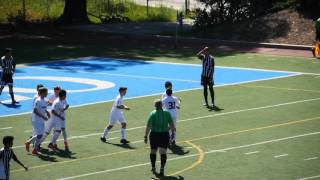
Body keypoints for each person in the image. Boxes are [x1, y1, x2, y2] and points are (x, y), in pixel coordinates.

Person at [144, 99, 175, 177]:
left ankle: (153, 167)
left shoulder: (152, 114)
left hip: (154, 135)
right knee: (163, 152)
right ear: (162, 105)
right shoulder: (167, 113)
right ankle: (162, 168)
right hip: (164, 135)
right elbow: (172, 124)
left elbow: (148, 126)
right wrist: (172, 134)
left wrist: (145, 136)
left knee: (153, 151)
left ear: (155, 106)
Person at [25, 87, 50, 155]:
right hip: (36, 120)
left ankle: (32, 146)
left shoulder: (45, 100)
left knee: (40, 135)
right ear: (42, 93)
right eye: (46, 92)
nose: (47, 93)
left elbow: (44, 108)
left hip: (41, 119)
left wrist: (47, 112)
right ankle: (31, 145)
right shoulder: (37, 100)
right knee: (39, 135)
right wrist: (43, 116)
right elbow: (35, 111)